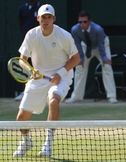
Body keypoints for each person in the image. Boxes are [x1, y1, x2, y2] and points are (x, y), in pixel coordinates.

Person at [13, 4, 80, 157]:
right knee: (21, 118)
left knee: (54, 99)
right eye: (43, 17)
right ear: (38, 19)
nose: (46, 20)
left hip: (62, 75)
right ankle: (26, 141)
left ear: (54, 19)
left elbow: (76, 58)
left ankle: (48, 143)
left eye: (49, 17)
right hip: (38, 77)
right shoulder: (31, 34)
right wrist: (31, 71)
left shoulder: (64, 35)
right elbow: (22, 60)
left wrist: (60, 72)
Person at [65, 10, 118, 104]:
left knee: (107, 67)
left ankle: (112, 96)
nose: (82, 24)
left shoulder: (98, 29)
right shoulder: (75, 30)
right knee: (79, 67)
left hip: (101, 46)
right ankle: (76, 96)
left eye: (84, 22)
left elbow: (101, 45)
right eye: (80, 22)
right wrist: (80, 58)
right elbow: (77, 44)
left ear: (89, 22)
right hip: (85, 46)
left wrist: (105, 58)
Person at [15, 0, 41, 101]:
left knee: (38, 65)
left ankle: (39, 91)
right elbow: (21, 24)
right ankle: (25, 91)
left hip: (39, 42)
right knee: (25, 65)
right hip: (27, 42)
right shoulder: (22, 9)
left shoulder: (41, 8)